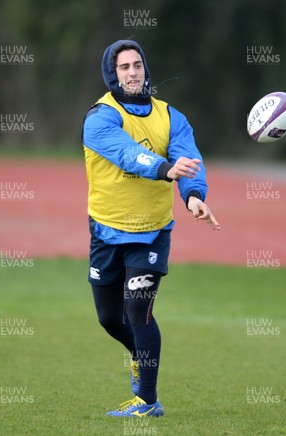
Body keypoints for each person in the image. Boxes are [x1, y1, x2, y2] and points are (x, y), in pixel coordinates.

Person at [82, 40, 220, 418]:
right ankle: (138, 358)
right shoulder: (99, 118)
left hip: (152, 234)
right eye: (124, 66)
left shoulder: (171, 116)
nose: (132, 72)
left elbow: (188, 159)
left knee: (138, 312)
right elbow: (127, 153)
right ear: (113, 74)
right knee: (110, 318)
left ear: (146, 70)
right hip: (106, 231)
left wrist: (193, 195)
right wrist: (164, 169)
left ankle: (147, 401)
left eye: (137, 65)